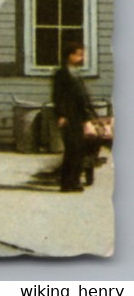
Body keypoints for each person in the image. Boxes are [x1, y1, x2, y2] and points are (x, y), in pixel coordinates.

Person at [53, 41, 98, 191]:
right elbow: (57, 96)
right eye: (79, 55)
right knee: (72, 149)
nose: (81, 58)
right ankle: (67, 182)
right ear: (69, 56)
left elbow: (83, 96)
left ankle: (75, 180)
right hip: (69, 116)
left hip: (79, 116)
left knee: (80, 149)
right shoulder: (62, 74)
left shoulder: (76, 73)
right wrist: (61, 114)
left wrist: (90, 113)